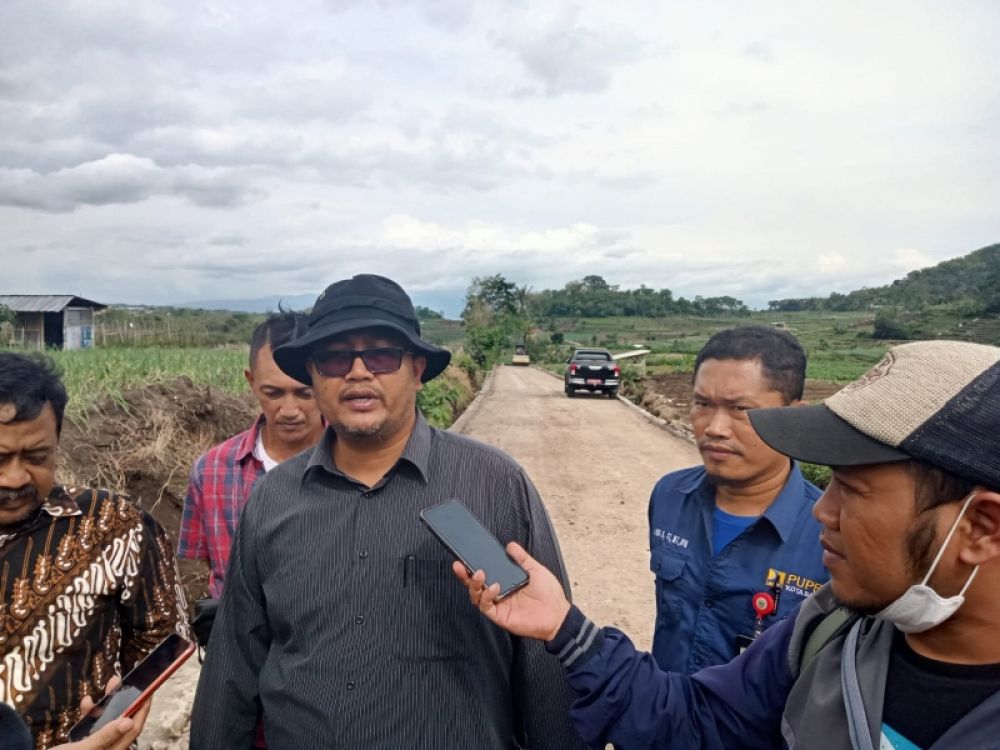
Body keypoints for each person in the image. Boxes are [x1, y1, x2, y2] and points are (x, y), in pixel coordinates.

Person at [457, 340, 1000, 750]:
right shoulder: (829, 634)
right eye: (828, 482)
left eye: (853, 490)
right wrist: (566, 629)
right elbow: (697, 717)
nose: (822, 510)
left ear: (981, 527)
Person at [189, 274, 587, 749]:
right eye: (336, 358)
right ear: (314, 378)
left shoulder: (494, 485)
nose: (358, 373)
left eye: (380, 355)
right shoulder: (274, 500)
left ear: (417, 369)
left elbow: (544, 662)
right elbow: (235, 660)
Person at [0, 353, 190, 749]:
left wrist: (120, 706)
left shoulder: (117, 525)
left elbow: (161, 642)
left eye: (37, 457)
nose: (16, 477)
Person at [649, 326, 828, 672]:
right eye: (702, 403)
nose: (714, 427)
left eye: (740, 409)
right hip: (665, 713)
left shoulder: (830, 532)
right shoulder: (669, 496)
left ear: (794, 416)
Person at [178, 309, 324, 599]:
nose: (289, 410)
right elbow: (209, 565)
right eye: (273, 393)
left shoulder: (358, 465)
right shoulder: (211, 472)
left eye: (305, 393)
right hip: (241, 639)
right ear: (251, 382)